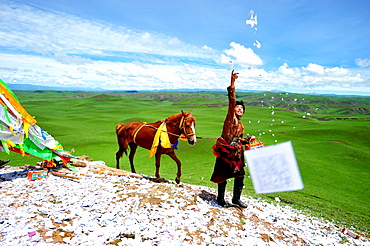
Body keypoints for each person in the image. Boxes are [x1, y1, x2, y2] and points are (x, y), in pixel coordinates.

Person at [210, 70, 251, 208]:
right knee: (223, 176)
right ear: (233, 110)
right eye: (237, 108)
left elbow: (238, 139)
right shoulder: (230, 119)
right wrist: (233, 82)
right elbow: (232, 100)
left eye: (242, 109)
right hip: (225, 151)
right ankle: (220, 199)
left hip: (236, 152)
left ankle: (236, 199)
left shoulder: (241, 124)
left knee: (240, 175)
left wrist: (247, 140)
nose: (239, 109)